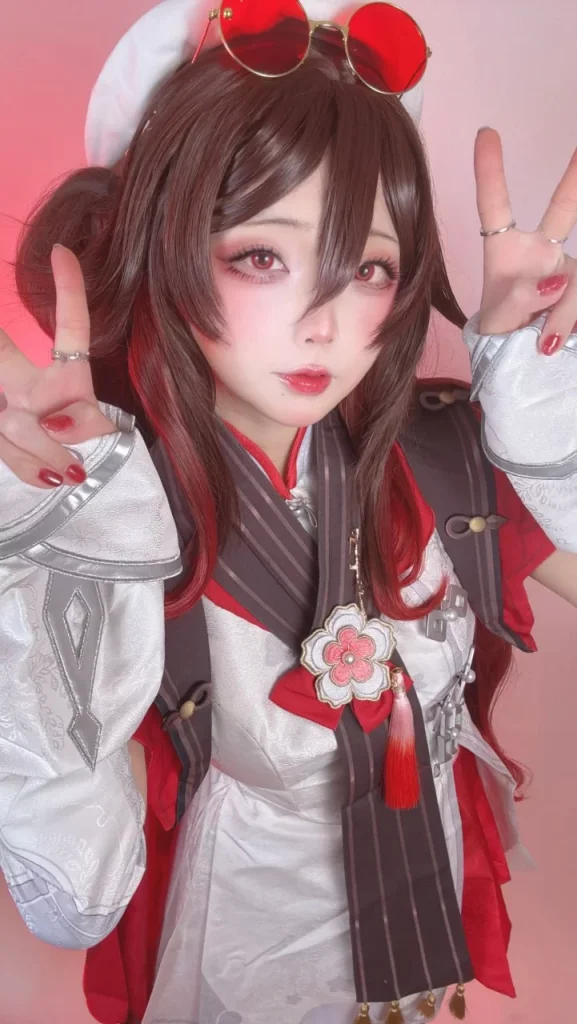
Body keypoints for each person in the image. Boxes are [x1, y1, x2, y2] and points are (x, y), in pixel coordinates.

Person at [1, 2, 576, 1023]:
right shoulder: (123, 524)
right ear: (163, 243)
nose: (324, 321)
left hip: (421, 935)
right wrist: (47, 584)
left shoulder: (436, 458)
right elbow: (75, 893)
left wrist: (550, 439)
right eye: (262, 256)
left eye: (367, 268)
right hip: (237, 951)